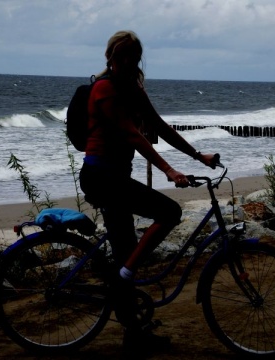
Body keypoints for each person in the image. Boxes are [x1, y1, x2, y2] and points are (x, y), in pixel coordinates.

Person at [79, 30, 217, 356]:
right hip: (101, 177)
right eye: (123, 55)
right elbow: (133, 136)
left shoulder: (132, 87)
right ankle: (123, 280)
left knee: (127, 249)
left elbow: (158, 126)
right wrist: (169, 170)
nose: (129, 61)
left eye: (134, 56)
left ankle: (133, 326)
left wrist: (199, 157)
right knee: (169, 213)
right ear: (111, 56)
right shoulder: (104, 89)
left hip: (117, 176)